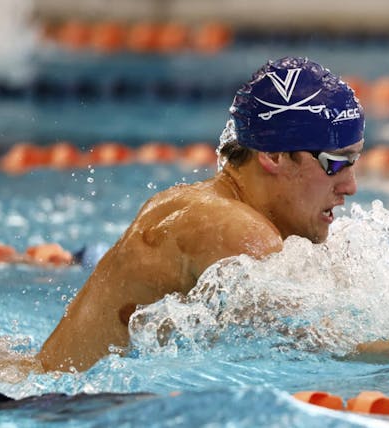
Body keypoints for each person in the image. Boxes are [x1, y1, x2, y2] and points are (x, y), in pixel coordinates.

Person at [36, 57, 365, 372]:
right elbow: (330, 345)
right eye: (335, 162)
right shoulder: (231, 227)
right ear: (275, 155)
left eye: (354, 162)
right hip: (55, 408)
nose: (349, 186)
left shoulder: (200, 204)